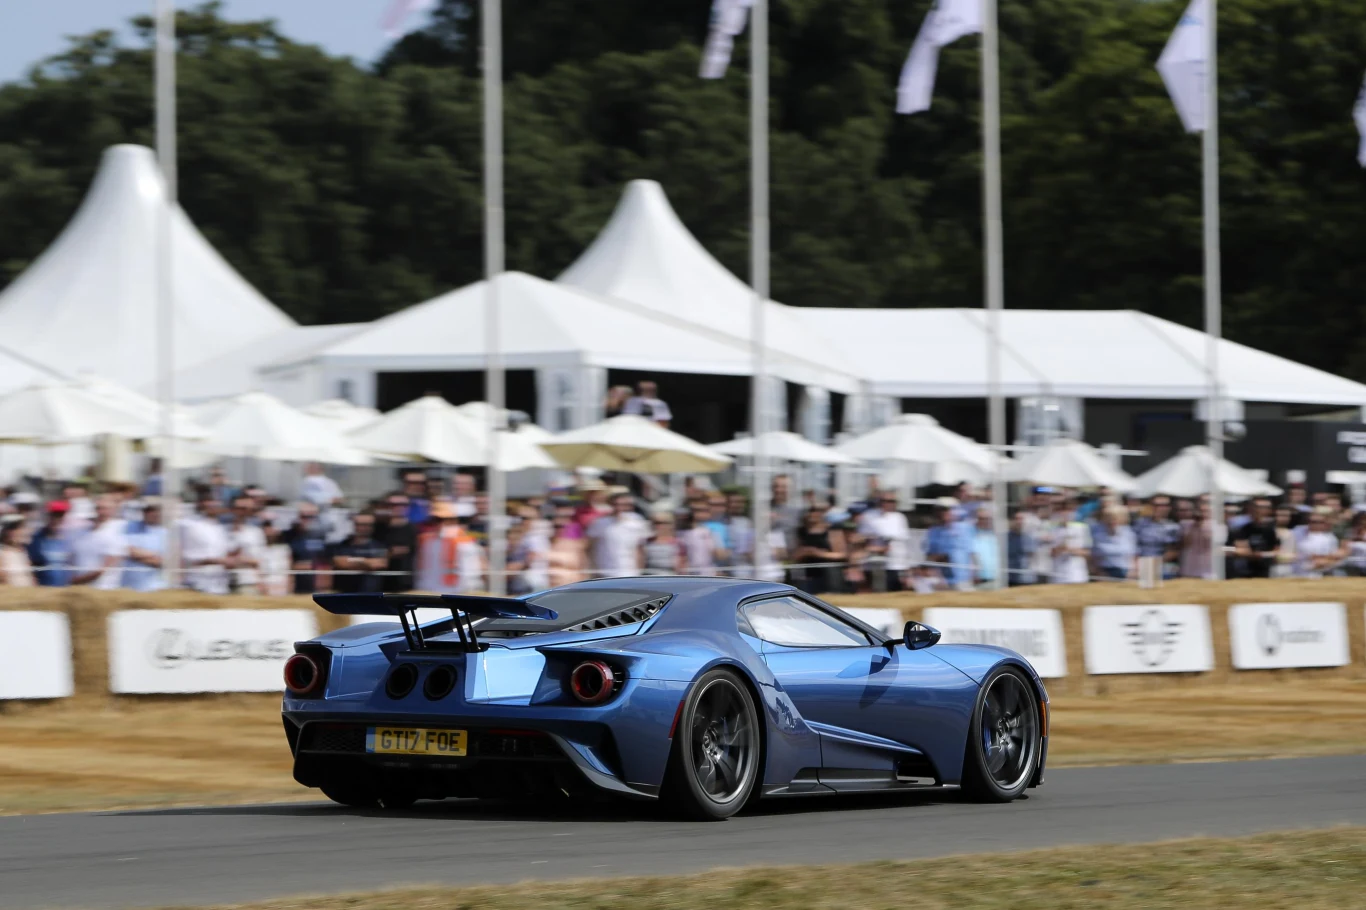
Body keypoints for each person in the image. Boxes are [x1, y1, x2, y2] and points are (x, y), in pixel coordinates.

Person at [71, 494, 129, 590]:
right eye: (98, 508)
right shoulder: (81, 532)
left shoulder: (118, 533)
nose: (101, 512)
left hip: (104, 591)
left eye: (105, 509)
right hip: (80, 589)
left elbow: (104, 569)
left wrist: (75, 582)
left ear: (114, 510)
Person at [858, 491, 913, 591]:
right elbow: (862, 538)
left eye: (892, 501)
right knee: (879, 591)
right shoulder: (868, 516)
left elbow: (904, 542)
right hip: (876, 563)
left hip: (897, 563)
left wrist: (907, 568)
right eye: (885, 501)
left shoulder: (899, 517)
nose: (889, 503)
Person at [180, 493, 230, 594]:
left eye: (215, 503)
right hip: (195, 583)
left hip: (220, 585)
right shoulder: (187, 524)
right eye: (209, 503)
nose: (213, 506)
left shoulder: (221, 528)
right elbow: (184, 556)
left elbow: (224, 553)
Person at [587, 493, 646, 577]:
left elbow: (640, 549)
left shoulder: (638, 522)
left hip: (630, 573)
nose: (619, 508)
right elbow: (590, 547)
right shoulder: (599, 523)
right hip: (604, 573)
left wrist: (639, 572)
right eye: (616, 505)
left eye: (624, 505)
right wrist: (593, 569)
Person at [791, 507, 846, 595]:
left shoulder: (832, 530)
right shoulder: (801, 532)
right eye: (810, 512)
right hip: (807, 573)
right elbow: (794, 556)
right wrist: (803, 553)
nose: (812, 515)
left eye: (815, 512)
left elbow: (841, 554)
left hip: (829, 574)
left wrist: (819, 553)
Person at [331, 511, 389, 594]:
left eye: (368, 525)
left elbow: (378, 564)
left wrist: (352, 561)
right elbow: (341, 563)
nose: (364, 528)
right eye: (360, 524)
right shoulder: (343, 545)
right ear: (354, 525)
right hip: (345, 594)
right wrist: (367, 562)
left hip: (372, 595)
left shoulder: (379, 545)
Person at [226, 496, 268, 594]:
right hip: (220, 583)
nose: (243, 512)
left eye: (248, 509)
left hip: (247, 583)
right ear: (232, 509)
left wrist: (261, 582)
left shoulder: (256, 533)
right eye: (240, 508)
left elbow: (259, 561)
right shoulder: (221, 530)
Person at [27, 501, 75, 587]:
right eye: (53, 515)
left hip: (66, 589)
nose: (56, 519)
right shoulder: (36, 539)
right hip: (43, 589)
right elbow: (30, 564)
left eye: (60, 515)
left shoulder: (71, 538)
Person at [286, 503, 330, 595]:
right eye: (303, 516)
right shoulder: (290, 536)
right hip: (296, 586)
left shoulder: (325, 536)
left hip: (319, 586)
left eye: (311, 517)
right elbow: (286, 563)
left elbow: (328, 563)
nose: (306, 520)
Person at [1229, 498, 1279, 579]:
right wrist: (1254, 554)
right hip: (1245, 571)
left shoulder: (1271, 530)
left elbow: (1277, 550)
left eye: (1263, 507)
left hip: (1266, 571)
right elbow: (1241, 550)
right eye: (1256, 507)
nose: (1258, 510)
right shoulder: (1242, 529)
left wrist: (1261, 555)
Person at [123, 501, 168, 592]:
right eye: (149, 511)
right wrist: (154, 555)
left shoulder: (167, 533)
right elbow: (125, 550)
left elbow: (165, 562)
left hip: (155, 587)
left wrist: (136, 556)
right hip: (126, 586)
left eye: (156, 511)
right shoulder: (130, 526)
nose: (153, 514)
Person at [1134, 497, 1182, 580]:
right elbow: (1133, 544)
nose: (1159, 508)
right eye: (1156, 505)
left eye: (1163, 505)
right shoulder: (1140, 523)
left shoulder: (1173, 527)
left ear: (1169, 508)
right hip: (1139, 565)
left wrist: (1152, 564)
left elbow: (1173, 551)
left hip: (1162, 566)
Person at [379, 493, 418, 592]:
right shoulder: (377, 529)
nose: (397, 507)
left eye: (402, 504)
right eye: (392, 505)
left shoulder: (415, 530)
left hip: (406, 584)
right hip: (380, 584)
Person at [1052, 500, 1092, 584]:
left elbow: (1087, 552)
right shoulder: (1052, 529)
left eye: (1068, 510)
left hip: (1078, 576)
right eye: (1062, 511)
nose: (1065, 514)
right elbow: (1050, 553)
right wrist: (1060, 548)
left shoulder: (1082, 528)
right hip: (1058, 576)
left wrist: (1072, 550)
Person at [546, 505, 588, 587]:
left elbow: (581, 565)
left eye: (562, 527)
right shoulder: (544, 542)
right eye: (556, 526)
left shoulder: (575, 544)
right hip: (547, 584)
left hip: (569, 583)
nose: (558, 529)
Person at [1090, 507, 1136, 580]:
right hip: (1104, 571)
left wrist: (1133, 571)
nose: (1112, 521)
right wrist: (1099, 571)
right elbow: (1094, 556)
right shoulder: (1097, 535)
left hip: (1125, 571)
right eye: (1109, 518)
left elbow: (1133, 554)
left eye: (1115, 518)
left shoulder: (1129, 533)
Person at [1295, 508, 1344, 577]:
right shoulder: (1297, 532)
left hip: (1321, 573)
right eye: (1311, 521)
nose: (1314, 524)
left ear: (1325, 523)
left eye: (1319, 522)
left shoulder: (1330, 538)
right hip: (1298, 573)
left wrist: (1324, 561)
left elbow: (1333, 557)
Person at [0, 518, 35, 587]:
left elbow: (30, 577)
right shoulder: (2, 553)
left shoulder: (23, 552)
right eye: (13, 529)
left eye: (20, 529)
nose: (19, 532)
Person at [1006, 510, 1036, 586]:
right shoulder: (1005, 538)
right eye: (1017, 519)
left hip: (1027, 579)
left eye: (1021, 519)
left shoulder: (1030, 537)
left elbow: (1031, 556)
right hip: (1010, 578)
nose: (1019, 522)